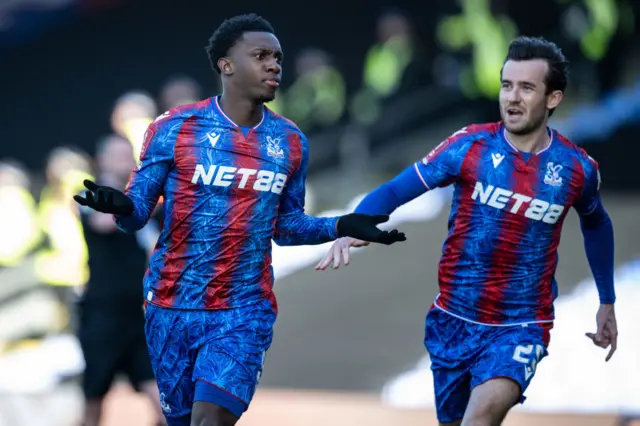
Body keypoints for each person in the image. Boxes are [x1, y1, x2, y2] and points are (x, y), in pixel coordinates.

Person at [74, 13, 405, 426]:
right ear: (226, 64)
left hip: (243, 310)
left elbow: (285, 228)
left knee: (208, 420)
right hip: (171, 307)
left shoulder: (289, 141)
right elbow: (138, 212)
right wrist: (120, 206)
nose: (274, 65)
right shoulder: (174, 128)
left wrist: (340, 225)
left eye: (278, 57)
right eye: (261, 55)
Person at [315, 36, 618, 426]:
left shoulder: (577, 169)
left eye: (527, 88)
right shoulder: (469, 146)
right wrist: (357, 222)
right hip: (452, 320)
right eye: (507, 85)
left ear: (553, 98)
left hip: (520, 325)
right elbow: (397, 188)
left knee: (481, 419)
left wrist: (606, 300)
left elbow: (597, 222)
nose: (512, 97)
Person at [77, 135, 165, 426]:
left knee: (163, 399)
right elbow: (103, 223)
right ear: (101, 160)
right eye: (118, 155)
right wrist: (143, 204)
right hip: (102, 314)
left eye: (128, 155)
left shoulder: (140, 198)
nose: (125, 162)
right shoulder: (92, 194)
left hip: (135, 314)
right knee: (94, 398)